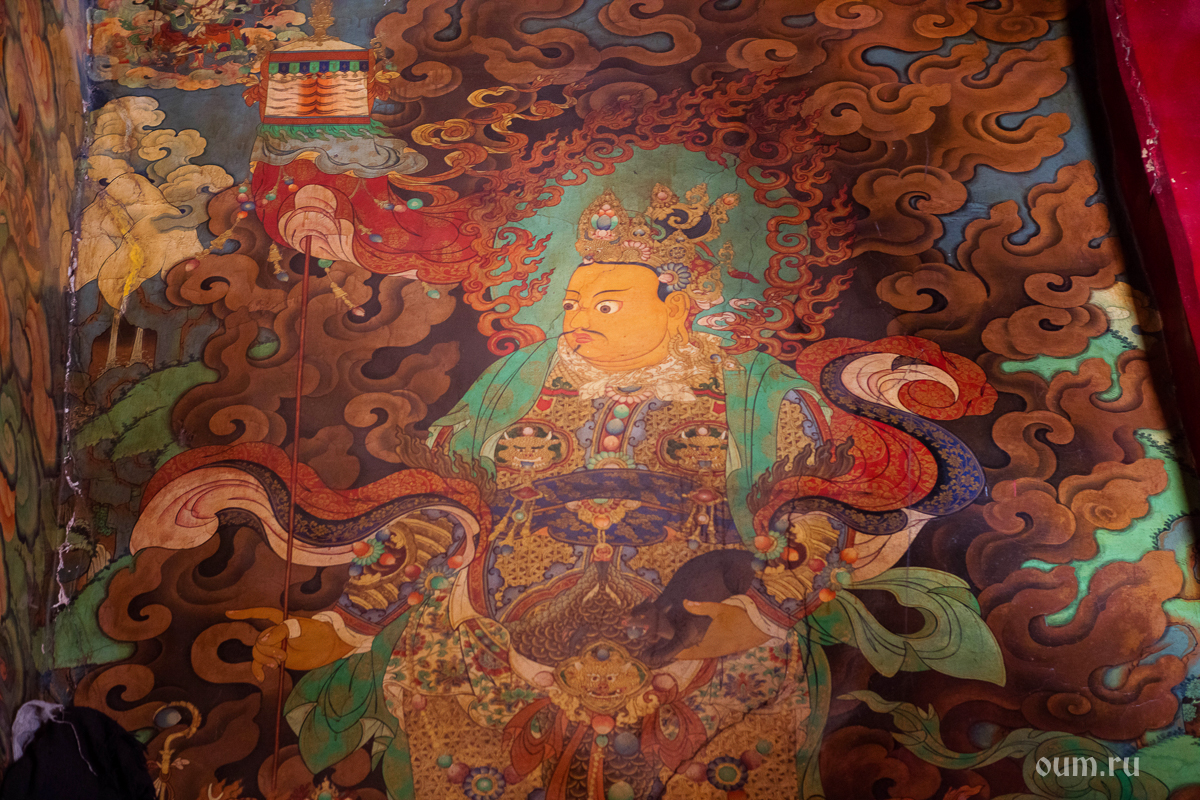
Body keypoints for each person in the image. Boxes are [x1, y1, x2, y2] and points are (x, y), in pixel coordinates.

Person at [237, 184, 991, 800]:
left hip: (707, 641)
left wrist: (760, 615)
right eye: (571, 304)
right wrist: (349, 623)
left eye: (605, 304)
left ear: (677, 306)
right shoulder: (516, 382)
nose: (576, 320)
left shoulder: (754, 390)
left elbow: (816, 509)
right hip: (498, 644)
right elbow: (437, 503)